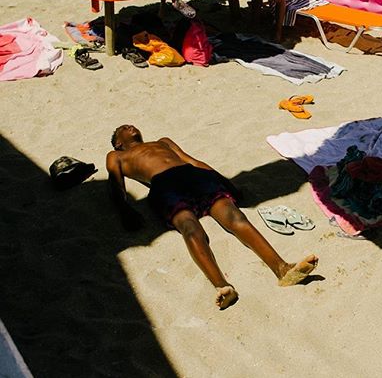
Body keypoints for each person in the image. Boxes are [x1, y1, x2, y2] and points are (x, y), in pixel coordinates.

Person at [106, 125, 319, 310]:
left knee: (236, 219)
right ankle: (222, 285)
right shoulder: (116, 156)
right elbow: (116, 186)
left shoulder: (163, 141)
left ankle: (281, 268)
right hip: (164, 185)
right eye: (124, 128)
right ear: (118, 142)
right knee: (191, 229)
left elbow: (193, 161)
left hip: (194, 176)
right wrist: (125, 211)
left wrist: (227, 183)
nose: (130, 127)